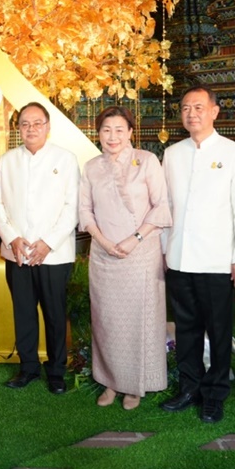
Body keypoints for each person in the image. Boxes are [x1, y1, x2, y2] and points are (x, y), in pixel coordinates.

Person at [161, 86, 235, 423]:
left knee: (218, 330)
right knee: (186, 327)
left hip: (217, 260)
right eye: (185, 108)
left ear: (215, 111)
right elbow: (167, 207)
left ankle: (215, 394)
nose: (191, 114)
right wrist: (163, 251)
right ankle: (189, 387)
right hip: (180, 257)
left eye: (199, 107)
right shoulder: (172, 154)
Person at [79, 106, 171, 410]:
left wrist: (135, 239)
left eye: (119, 130)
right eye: (106, 130)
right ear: (98, 133)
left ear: (131, 132)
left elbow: (161, 206)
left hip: (140, 255)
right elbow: (85, 210)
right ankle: (109, 382)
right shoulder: (91, 166)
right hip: (104, 257)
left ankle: (135, 385)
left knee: (138, 320)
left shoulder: (146, 161)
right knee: (106, 321)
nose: (113, 136)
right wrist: (103, 241)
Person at [0, 102, 79, 395]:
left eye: (37, 123)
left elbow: (72, 207)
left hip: (54, 254)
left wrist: (48, 243)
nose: (31, 129)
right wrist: (12, 237)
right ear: (18, 128)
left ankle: (56, 370)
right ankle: (28, 367)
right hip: (16, 253)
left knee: (55, 314)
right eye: (25, 124)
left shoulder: (65, 159)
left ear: (48, 126)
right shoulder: (7, 161)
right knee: (24, 312)